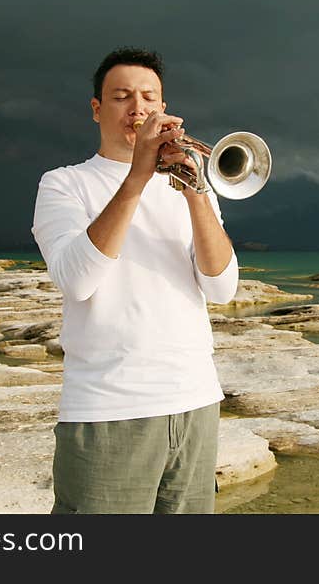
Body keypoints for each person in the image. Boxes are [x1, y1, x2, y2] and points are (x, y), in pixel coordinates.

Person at [31, 47, 239, 514]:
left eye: (150, 97)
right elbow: (77, 280)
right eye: (122, 96)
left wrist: (196, 192)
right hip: (108, 410)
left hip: (196, 402)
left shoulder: (191, 185)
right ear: (97, 109)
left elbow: (223, 289)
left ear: (164, 109)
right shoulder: (64, 184)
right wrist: (138, 177)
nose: (138, 108)